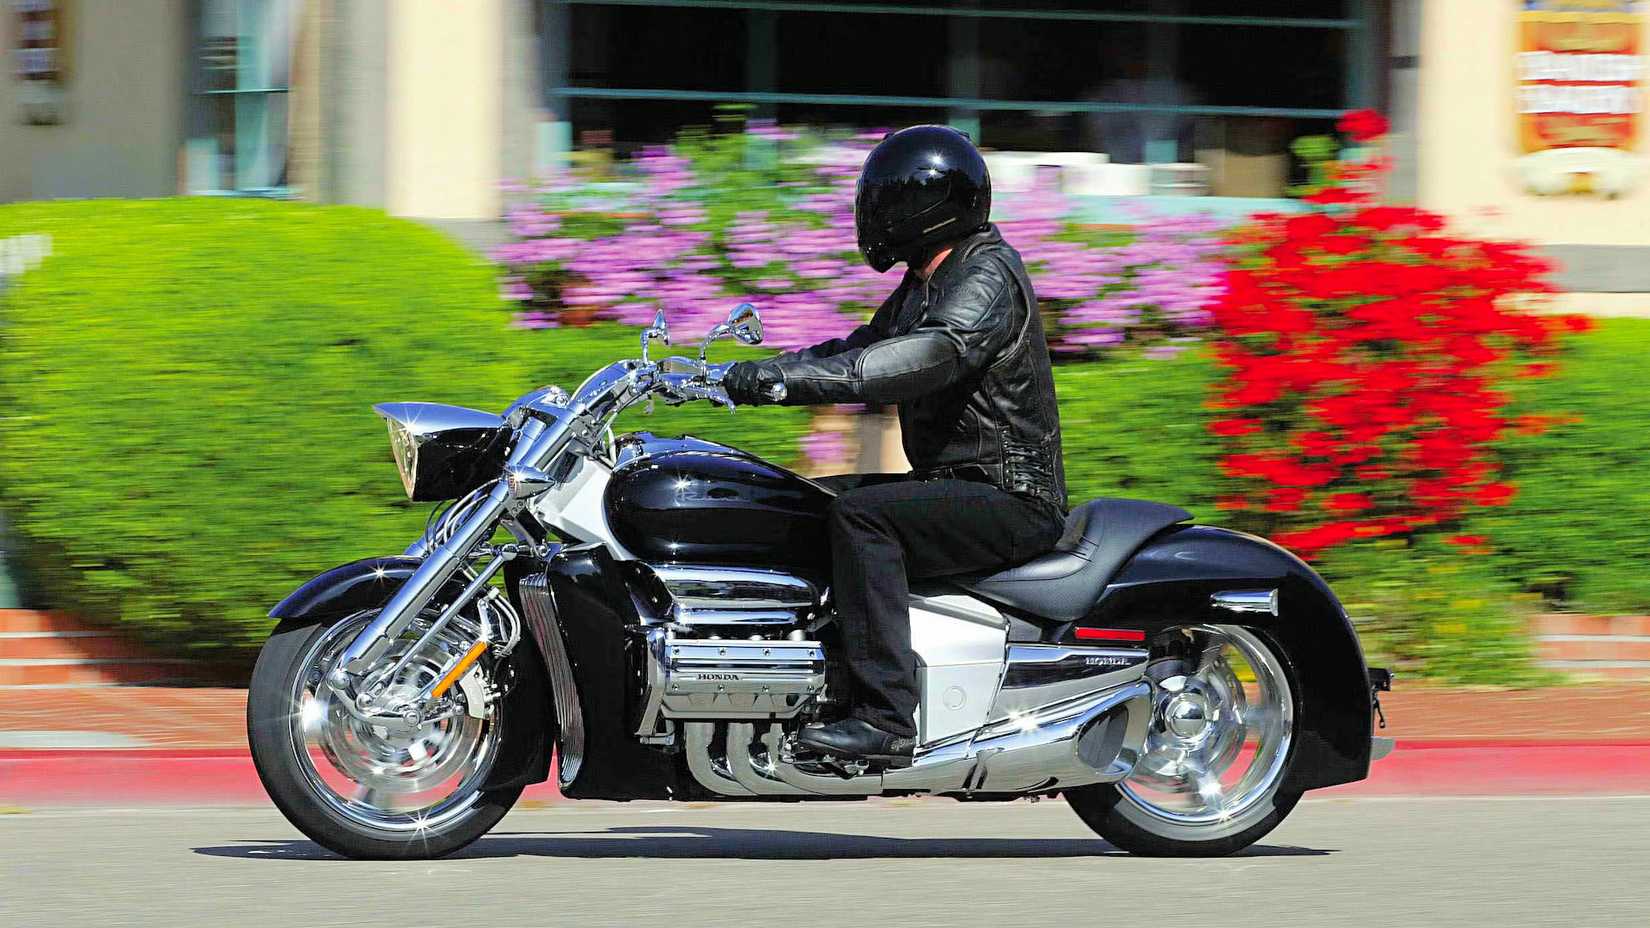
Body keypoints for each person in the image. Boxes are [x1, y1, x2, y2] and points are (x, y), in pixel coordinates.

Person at [720, 125, 1068, 768]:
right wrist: (731, 375)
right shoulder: (926, 281)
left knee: (862, 516)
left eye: (881, 198)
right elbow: (859, 350)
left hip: (1010, 496)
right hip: (951, 485)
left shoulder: (987, 274)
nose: (870, 212)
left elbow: (929, 355)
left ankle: (885, 719)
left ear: (925, 205)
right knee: (800, 504)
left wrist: (779, 385)